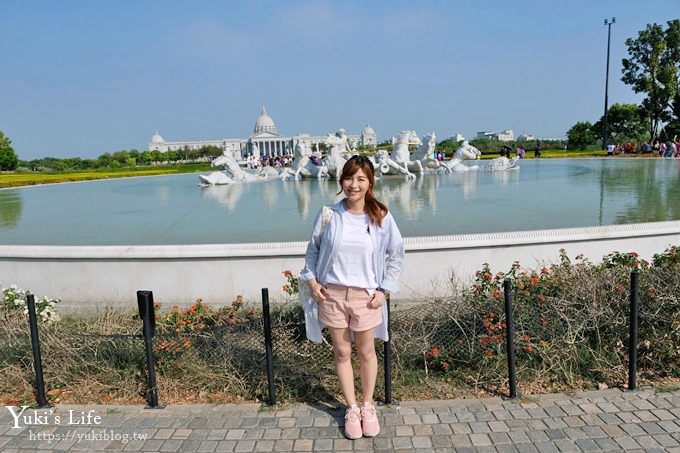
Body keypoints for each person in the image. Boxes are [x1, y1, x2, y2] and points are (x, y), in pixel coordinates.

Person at [301, 155, 405, 440]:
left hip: (366, 296)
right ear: (341, 181)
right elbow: (313, 251)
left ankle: (368, 405)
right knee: (342, 352)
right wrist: (310, 279)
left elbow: (396, 254)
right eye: (349, 178)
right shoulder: (329, 215)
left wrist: (384, 290)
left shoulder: (381, 216)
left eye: (360, 179)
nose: (354, 184)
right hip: (332, 294)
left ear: (370, 182)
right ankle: (351, 408)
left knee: (366, 351)